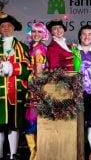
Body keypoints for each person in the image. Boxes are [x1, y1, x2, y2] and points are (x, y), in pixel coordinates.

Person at [0, 12, 31, 160]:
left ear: (13, 28)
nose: (6, 28)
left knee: (13, 124)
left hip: (15, 93)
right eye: (2, 26)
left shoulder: (22, 47)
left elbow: (27, 69)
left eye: (8, 26)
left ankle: (13, 154)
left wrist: (11, 68)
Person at [72, 25, 91, 160]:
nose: (87, 36)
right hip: (76, 93)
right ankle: (77, 150)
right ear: (80, 36)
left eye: (90, 34)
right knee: (76, 122)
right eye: (84, 34)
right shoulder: (72, 52)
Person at [25, 22, 50, 160]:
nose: (36, 34)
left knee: (33, 119)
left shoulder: (39, 48)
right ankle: (34, 153)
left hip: (36, 88)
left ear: (44, 34)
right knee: (32, 120)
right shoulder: (33, 47)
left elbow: (39, 72)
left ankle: (36, 155)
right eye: (34, 31)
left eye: (39, 32)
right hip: (32, 87)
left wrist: (36, 89)